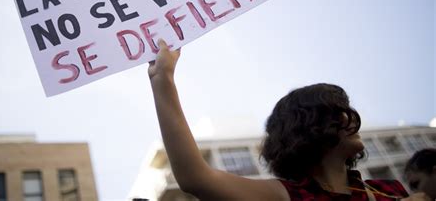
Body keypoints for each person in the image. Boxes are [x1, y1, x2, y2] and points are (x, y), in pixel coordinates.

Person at [148, 39, 427, 200]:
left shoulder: (389, 190)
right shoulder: (285, 195)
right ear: (309, 128)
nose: (349, 117)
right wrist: (163, 79)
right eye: (335, 111)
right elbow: (195, 177)